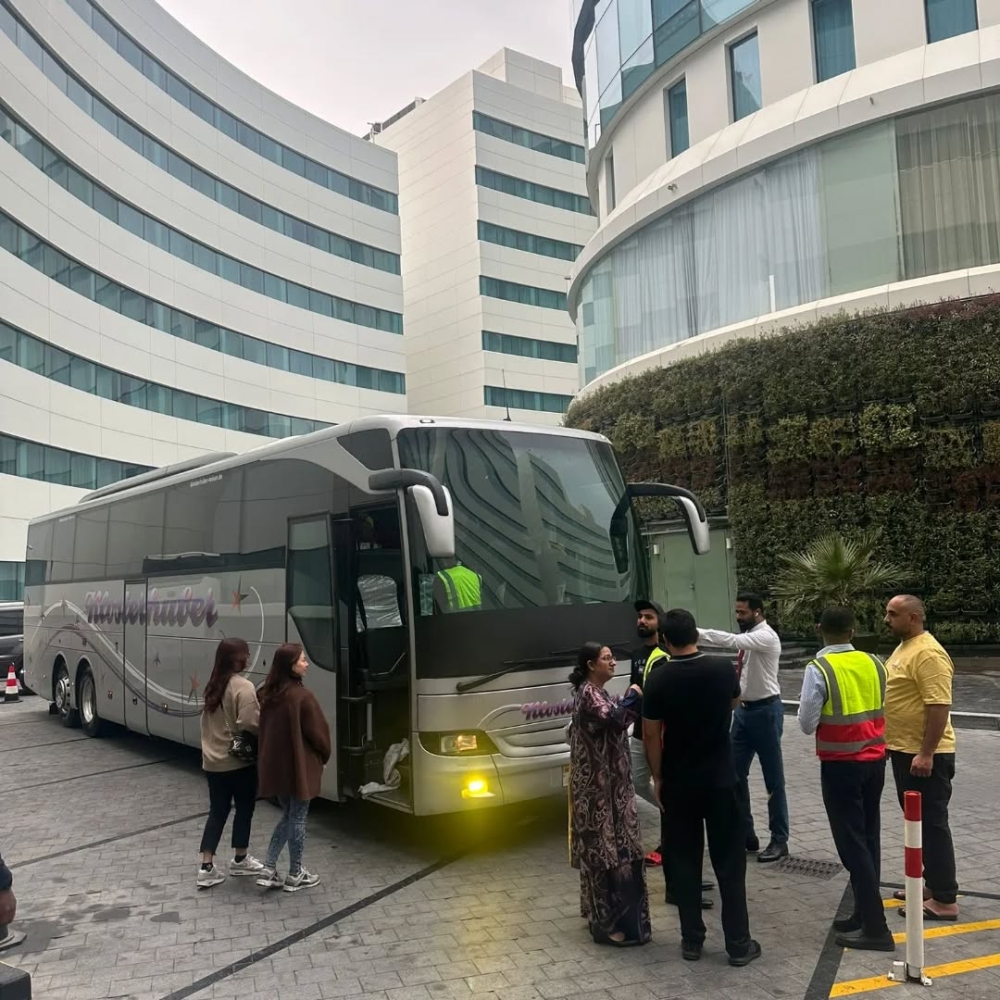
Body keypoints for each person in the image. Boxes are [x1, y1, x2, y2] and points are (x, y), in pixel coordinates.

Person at [642, 609, 760, 966]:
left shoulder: (659, 679)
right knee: (729, 863)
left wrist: (658, 777)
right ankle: (739, 944)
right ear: (697, 634)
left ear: (664, 639)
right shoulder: (723, 669)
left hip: (679, 781)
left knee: (684, 861)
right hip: (723, 779)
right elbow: (734, 702)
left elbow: (650, 734)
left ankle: (692, 940)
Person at [797, 607, 894, 952]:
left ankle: (877, 927)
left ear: (819, 628)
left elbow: (807, 723)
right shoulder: (874, 662)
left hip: (841, 766)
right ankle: (863, 914)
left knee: (852, 844)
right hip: (875, 761)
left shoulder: (819, 668)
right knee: (869, 838)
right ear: (853, 630)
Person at [568, 642, 651, 947]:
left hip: (604, 789)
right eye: (606, 658)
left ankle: (598, 917)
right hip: (599, 793)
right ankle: (607, 925)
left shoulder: (593, 691)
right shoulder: (590, 694)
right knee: (605, 852)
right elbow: (616, 719)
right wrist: (634, 695)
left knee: (603, 851)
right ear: (591, 664)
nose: (613, 662)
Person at [883, 595, 959, 921]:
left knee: (932, 825)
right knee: (918, 825)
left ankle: (944, 900)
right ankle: (931, 884)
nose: (886, 619)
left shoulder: (928, 653)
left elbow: (939, 706)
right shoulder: (906, 646)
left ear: (913, 617)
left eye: (893, 614)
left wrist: (926, 753)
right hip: (903, 751)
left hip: (925, 756)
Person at [698, 593, 788, 862]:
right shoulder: (751, 637)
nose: (738, 617)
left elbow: (730, 640)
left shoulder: (765, 636)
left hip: (766, 711)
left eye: (743, 613)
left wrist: (694, 632)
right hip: (744, 712)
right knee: (734, 775)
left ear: (758, 612)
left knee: (774, 779)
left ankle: (779, 840)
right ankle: (745, 833)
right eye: (736, 612)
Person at [256, 643, 332, 893]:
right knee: (298, 818)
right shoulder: (302, 697)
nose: (306, 663)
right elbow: (319, 735)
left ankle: (268, 868)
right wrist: (323, 755)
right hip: (299, 767)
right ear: (290, 666)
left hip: (277, 767)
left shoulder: (269, 694)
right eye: (301, 660)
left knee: (288, 816)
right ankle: (295, 873)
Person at [197, 637, 264, 888]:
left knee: (217, 811)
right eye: (245, 654)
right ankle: (240, 859)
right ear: (237, 658)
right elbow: (250, 724)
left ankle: (206, 866)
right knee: (244, 808)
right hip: (238, 763)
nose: (248, 657)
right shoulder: (243, 687)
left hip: (212, 763)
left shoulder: (213, 685)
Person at [629, 600, 667, 867]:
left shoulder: (666, 652)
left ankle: (670, 841)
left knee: (662, 781)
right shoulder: (636, 653)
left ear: (659, 622)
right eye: (640, 617)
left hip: (660, 733)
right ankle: (676, 812)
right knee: (637, 781)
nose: (642, 621)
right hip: (639, 730)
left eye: (648, 617)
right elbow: (636, 687)